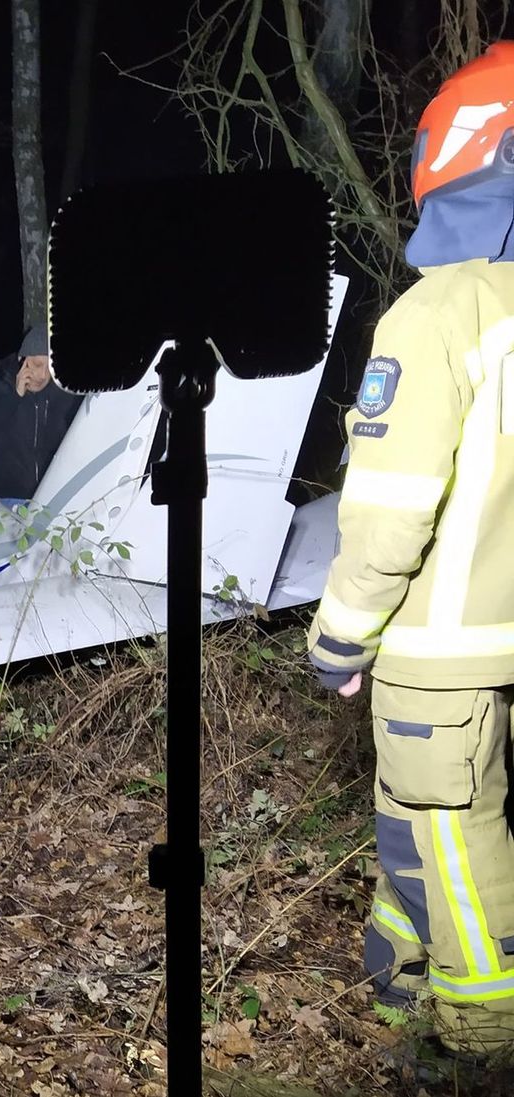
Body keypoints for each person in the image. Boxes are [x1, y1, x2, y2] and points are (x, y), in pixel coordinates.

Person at [307, 42, 514, 1059]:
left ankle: (478, 1034)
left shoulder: (436, 313)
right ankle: (392, 973)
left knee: (445, 832)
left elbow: (388, 510)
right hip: (503, 642)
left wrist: (338, 636)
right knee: (420, 816)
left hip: (437, 651)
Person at [0, 325, 81, 507]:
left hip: (53, 500)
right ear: (22, 359)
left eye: (49, 367)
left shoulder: (64, 395)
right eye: (36, 365)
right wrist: (15, 396)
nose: (42, 375)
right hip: (10, 500)